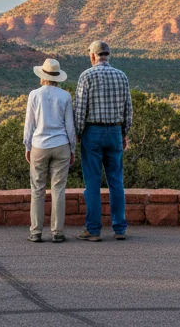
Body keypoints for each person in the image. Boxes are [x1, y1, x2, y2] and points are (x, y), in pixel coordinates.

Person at [72, 40, 133, 241]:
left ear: (92, 56)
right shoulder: (121, 76)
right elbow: (128, 110)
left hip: (93, 132)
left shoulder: (86, 76)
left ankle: (94, 230)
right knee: (116, 181)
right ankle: (119, 228)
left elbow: (80, 109)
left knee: (92, 183)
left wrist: (78, 133)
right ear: (108, 55)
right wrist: (124, 133)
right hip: (115, 131)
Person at [23, 58, 76, 243]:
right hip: (61, 145)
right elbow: (70, 126)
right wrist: (72, 149)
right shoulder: (65, 96)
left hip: (39, 145)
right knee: (58, 189)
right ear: (57, 77)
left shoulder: (34, 95)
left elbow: (29, 124)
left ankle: (36, 231)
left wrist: (27, 146)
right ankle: (57, 232)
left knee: (37, 189)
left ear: (42, 76)